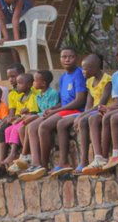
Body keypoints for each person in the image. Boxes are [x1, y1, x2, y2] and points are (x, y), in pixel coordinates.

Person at [21, 47, 88, 181]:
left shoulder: (79, 74)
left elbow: (79, 101)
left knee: (44, 126)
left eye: (71, 56)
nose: (67, 59)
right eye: (64, 57)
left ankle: (44, 164)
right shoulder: (63, 77)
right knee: (32, 126)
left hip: (76, 110)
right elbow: (64, 102)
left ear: (76, 59)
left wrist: (56, 111)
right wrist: (53, 108)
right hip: (64, 109)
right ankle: (36, 163)